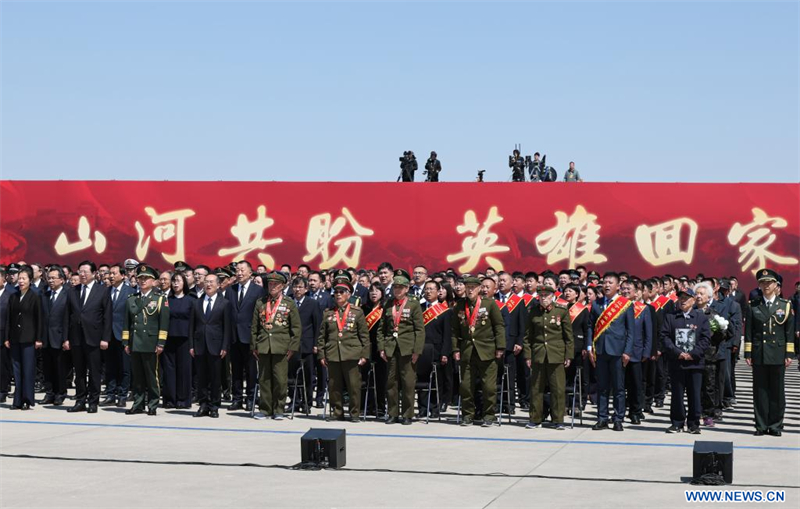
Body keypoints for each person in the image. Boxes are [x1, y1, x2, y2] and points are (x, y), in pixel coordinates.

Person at [744, 269, 795, 436]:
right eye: (762, 282)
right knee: (760, 391)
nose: (766, 285)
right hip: (759, 353)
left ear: (776, 285)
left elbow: (789, 331)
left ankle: (775, 425)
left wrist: (789, 354)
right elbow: (749, 331)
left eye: (769, 282)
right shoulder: (753, 305)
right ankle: (760, 425)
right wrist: (748, 354)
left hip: (778, 353)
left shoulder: (785, 305)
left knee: (777, 392)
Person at [451, 276, 506, 427]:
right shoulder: (459, 305)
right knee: (466, 386)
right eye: (467, 287)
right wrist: (455, 348)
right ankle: (468, 415)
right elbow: (455, 330)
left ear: (479, 288)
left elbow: (499, 326)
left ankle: (489, 415)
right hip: (467, 350)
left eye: (473, 287)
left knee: (488, 386)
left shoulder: (489, 304)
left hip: (487, 350)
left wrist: (500, 347)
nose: (470, 290)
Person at [251, 271, 301, 420]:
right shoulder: (260, 302)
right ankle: (265, 409)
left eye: (275, 284)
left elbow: (296, 328)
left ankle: (279, 408)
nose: (272, 287)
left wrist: (292, 348)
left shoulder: (289, 303)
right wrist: (254, 346)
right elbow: (254, 326)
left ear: (282, 286)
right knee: (264, 379)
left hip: (281, 347)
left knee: (280, 379)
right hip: (264, 346)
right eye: (270, 284)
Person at [587, 272, 634, 431]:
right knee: (602, 386)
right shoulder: (596, 304)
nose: (607, 285)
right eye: (605, 282)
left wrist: (628, 351)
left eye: (610, 282)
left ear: (617, 286)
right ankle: (602, 418)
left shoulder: (626, 304)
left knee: (619, 388)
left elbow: (630, 331)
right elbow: (590, 327)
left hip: (618, 351)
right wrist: (589, 347)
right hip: (600, 350)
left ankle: (618, 418)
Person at [316, 281, 369, 421]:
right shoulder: (328, 312)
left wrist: (364, 355)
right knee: (334, 386)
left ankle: (354, 413)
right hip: (333, 353)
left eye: (341, 292)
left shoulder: (357, 312)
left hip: (352, 354)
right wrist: (321, 354)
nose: (338, 295)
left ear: (349, 294)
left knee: (353, 386)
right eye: (336, 292)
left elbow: (364, 335)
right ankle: (337, 412)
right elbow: (322, 336)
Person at [661, 287, 710, 434]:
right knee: (676, 394)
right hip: (677, 362)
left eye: (686, 298)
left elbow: (705, 339)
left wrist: (693, 354)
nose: (682, 301)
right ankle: (677, 422)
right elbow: (664, 337)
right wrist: (678, 353)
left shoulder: (701, 318)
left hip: (695, 363)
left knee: (694, 394)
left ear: (693, 300)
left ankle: (694, 423)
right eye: (680, 298)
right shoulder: (671, 317)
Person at [65, 260, 112, 413]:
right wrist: (66, 338)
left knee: (94, 371)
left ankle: (93, 401)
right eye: (80, 271)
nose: (82, 274)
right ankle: (80, 400)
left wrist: (105, 338)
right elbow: (67, 316)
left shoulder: (102, 290)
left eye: (85, 271)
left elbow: (107, 316)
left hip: (94, 337)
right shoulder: (72, 290)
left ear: (93, 273)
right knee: (79, 372)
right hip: (76, 338)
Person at [524, 284, 573, 429]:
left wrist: (568, 355)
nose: (543, 298)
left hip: (556, 354)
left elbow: (568, 337)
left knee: (557, 388)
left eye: (546, 296)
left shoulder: (561, 311)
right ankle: (535, 418)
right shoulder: (533, 312)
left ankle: (558, 420)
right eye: (541, 296)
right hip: (538, 354)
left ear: (553, 297)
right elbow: (527, 337)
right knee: (536, 388)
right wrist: (528, 356)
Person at [122, 264, 170, 416]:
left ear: (154, 281)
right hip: (135, 342)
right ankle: (138, 403)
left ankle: (153, 403)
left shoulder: (160, 299)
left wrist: (161, 342)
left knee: (151, 376)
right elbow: (127, 323)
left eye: (146, 278)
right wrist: (126, 342)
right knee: (137, 377)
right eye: (140, 278)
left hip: (150, 342)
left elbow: (164, 323)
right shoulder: (132, 299)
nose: (142, 281)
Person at [378, 269, 424, 424]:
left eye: (400, 287)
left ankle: (407, 414)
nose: (397, 290)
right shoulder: (388, 304)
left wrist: (417, 350)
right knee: (391, 383)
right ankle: (392, 413)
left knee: (408, 383)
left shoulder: (413, 304)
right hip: (391, 347)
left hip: (407, 349)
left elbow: (419, 329)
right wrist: (381, 348)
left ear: (406, 289)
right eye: (395, 287)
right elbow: (382, 328)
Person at [189, 273, 232, 418]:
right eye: (206, 282)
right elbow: (192, 327)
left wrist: (225, 346)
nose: (208, 284)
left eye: (211, 282)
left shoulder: (224, 303)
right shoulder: (197, 302)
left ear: (218, 285)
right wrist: (191, 345)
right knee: (201, 377)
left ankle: (214, 406)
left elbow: (227, 327)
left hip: (216, 345)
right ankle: (203, 404)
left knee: (215, 378)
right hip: (200, 344)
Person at [227, 260, 264, 412]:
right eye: (237, 270)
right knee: (236, 369)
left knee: (250, 370)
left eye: (243, 270)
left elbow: (261, 315)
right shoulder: (231, 289)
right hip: (234, 336)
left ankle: (251, 398)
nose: (239, 273)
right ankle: (237, 399)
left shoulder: (258, 291)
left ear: (250, 272)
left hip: (250, 336)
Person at [4, 266, 43, 410]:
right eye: (19, 278)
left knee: (28, 370)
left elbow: (39, 318)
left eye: (24, 278)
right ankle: (17, 400)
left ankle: (27, 399)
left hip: (29, 338)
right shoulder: (13, 296)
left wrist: (38, 338)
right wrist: (7, 337)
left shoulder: (35, 296)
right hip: (14, 338)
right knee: (17, 370)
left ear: (30, 280)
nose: (21, 281)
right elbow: (9, 318)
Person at [491, 273, 527, 413]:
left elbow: (522, 325)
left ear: (512, 283)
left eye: (504, 281)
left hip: (511, 343)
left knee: (510, 376)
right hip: (494, 343)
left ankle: (509, 404)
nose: (501, 283)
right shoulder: (493, 300)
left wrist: (519, 342)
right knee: (495, 376)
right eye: (499, 281)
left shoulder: (518, 301)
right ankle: (496, 403)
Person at [418, 280, 451, 418]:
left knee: (436, 381)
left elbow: (447, 334)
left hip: (437, 350)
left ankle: (435, 408)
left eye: (431, 289)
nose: (428, 291)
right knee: (421, 380)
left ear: (438, 292)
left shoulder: (445, 311)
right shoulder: (418, 308)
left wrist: (445, 352)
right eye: (426, 289)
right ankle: (422, 408)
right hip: (421, 349)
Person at [620, 280, 652, 425]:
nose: (626, 291)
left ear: (635, 292)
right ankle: (619, 411)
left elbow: (648, 333)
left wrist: (646, 351)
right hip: (617, 351)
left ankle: (635, 411)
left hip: (636, 353)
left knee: (635, 385)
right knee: (619, 385)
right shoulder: (615, 307)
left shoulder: (643, 309)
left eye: (629, 289)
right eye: (623, 288)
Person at [289, 276, 322, 413]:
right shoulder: (288, 302)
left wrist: (316, 344)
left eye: (300, 287)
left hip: (307, 344)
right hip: (292, 345)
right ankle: (294, 401)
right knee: (291, 376)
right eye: (295, 287)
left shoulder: (312, 303)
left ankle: (307, 402)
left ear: (306, 289)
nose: (297, 290)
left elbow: (317, 325)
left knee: (308, 376)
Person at [163, 272, 193, 409]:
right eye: (173, 281)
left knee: (184, 370)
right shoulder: (166, 300)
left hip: (184, 339)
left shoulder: (190, 300)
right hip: (169, 338)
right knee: (169, 369)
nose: (175, 283)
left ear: (184, 283)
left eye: (178, 281)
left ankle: (183, 399)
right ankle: (170, 399)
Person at [41, 266, 69, 405]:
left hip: (59, 337)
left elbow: (67, 320)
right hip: (46, 338)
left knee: (60, 368)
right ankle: (49, 393)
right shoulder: (44, 295)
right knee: (47, 368)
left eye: (53, 278)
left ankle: (60, 393)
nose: (50, 281)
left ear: (62, 280)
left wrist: (66, 338)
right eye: (49, 278)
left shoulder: (68, 295)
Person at [363, 282, 387, 417]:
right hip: (366, 346)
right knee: (366, 378)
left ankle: (381, 406)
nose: (374, 293)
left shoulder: (386, 308)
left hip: (380, 348)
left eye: (377, 290)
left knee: (381, 378)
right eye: (371, 290)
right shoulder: (363, 308)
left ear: (382, 293)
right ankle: (367, 405)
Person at [0, 266, 14, 403]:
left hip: (3, 334)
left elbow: (12, 318)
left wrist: (8, 337)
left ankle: (3, 391)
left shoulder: (10, 294)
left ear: (4, 278)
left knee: (3, 365)